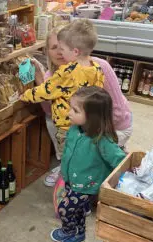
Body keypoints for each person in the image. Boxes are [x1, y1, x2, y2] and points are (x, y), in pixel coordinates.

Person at [33, 24, 132, 188]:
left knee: (89, 155)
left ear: (76, 48)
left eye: (63, 46)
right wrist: (41, 82)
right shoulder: (52, 75)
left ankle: (100, 162)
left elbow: (118, 111)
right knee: (54, 123)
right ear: (47, 52)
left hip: (112, 124)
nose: (59, 52)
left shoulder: (98, 66)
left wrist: (98, 135)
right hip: (82, 123)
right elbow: (50, 112)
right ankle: (70, 162)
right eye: (54, 47)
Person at [21, 19, 104, 172]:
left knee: (68, 158)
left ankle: (68, 183)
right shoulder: (96, 68)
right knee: (82, 157)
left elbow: (46, 90)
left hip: (67, 126)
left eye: (63, 50)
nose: (61, 53)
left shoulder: (68, 71)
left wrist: (25, 95)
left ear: (75, 52)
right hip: (88, 123)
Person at [50, 86, 126, 242]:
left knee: (64, 209)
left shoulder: (102, 140)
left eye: (75, 110)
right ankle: (76, 231)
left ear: (92, 117)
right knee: (76, 211)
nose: (69, 113)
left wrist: (124, 179)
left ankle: (72, 232)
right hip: (71, 179)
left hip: (86, 186)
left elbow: (120, 160)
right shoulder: (75, 129)